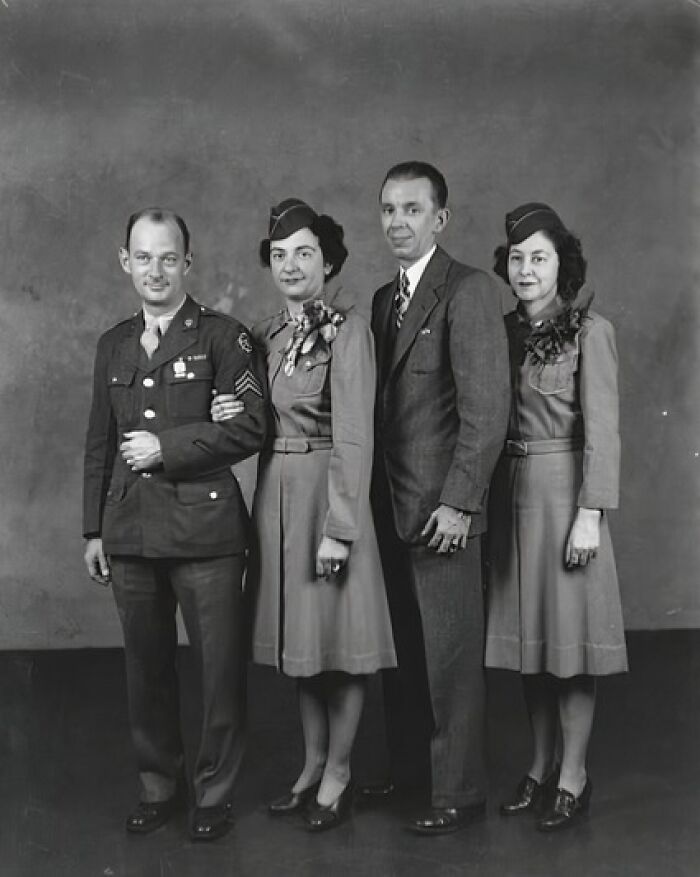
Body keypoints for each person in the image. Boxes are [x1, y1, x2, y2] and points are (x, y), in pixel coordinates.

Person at [83, 207, 268, 842]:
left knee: (218, 672)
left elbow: (250, 426)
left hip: (207, 535)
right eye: (143, 257)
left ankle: (213, 795)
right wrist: (92, 530)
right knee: (146, 668)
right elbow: (100, 444)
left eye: (169, 258)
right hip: (131, 531)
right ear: (124, 262)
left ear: (187, 264)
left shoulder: (226, 337)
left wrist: (169, 447)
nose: (155, 270)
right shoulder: (112, 343)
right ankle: (159, 785)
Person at [212, 198, 396, 832]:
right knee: (302, 641)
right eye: (281, 255)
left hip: (326, 494)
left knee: (338, 644)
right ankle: (312, 765)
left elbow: (356, 438)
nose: (291, 265)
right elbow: (244, 410)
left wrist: (340, 530)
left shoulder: (349, 332)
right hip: (276, 499)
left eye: (305, 254)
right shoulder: (263, 335)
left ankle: (340, 772)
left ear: (329, 261)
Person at [363, 162, 510, 834]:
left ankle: (458, 791)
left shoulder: (469, 291)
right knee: (406, 657)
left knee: (450, 658)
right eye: (389, 209)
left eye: (412, 210)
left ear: (440, 219)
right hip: (390, 509)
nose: (398, 221)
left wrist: (460, 503)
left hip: (443, 512)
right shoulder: (379, 299)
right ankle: (412, 777)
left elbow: (485, 412)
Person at [484, 202, 628, 831]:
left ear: (561, 265)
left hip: (565, 493)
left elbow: (604, 431)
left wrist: (591, 512)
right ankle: (540, 767)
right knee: (531, 645)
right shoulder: (498, 331)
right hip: (511, 496)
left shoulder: (590, 331)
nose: (525, 269)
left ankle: (574, 775)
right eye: (516, 258)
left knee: (569, 648)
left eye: (538, 257)